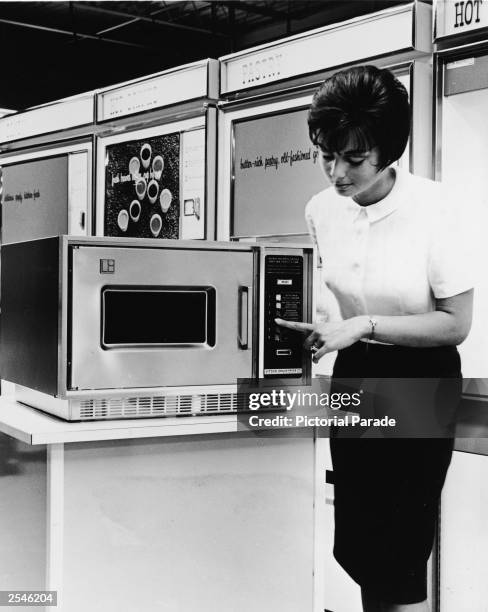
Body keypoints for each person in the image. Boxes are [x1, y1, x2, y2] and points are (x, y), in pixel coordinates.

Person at [276, 65, 474, 612]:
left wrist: (362, 325)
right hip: (355, 375)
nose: (336, 172)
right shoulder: (321, 209)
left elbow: (456, 324)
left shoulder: (436, 207)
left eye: (354, 159)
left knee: (400, 548)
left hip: (421, 377)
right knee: (359, 542)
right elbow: (334, 297)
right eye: (326, 154)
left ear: (389, 152)